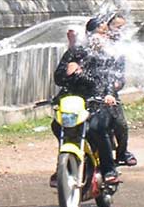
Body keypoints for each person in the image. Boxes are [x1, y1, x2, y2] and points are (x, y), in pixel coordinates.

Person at [50, 16, 120, 187]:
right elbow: (58, 78)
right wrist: (68, 73)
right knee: (58, 125)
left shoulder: (108, 56)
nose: (101, 37)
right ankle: (63, 167)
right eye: (98, 33)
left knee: (97, 127)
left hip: (98, 101)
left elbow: (109, 81)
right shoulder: (75, 53)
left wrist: (109, 94)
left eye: (104, 33)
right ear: (89, 34)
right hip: (75, 102)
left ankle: (109, 169)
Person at [104, 13, 137, 167]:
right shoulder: (95, 44)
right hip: (92, 91)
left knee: (120, 124)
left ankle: (122, 153)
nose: (120, 31)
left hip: (111, 92)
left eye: (122, 28)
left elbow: (121, 76)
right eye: (118, 27)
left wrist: (115, 86)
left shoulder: (119, 49)